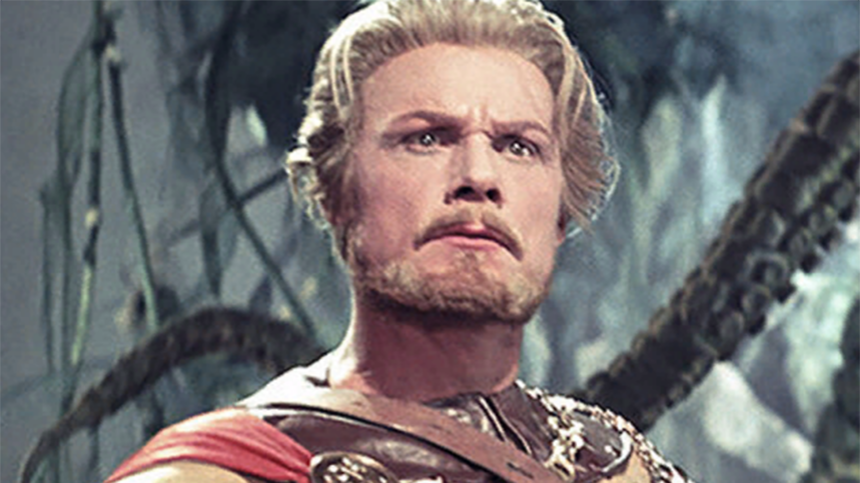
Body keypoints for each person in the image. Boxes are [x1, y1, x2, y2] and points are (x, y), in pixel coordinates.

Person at [106, 0, 692, 481]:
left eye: (518, 146)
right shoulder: (212, 475)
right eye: (427, 138)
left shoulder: (621, 465)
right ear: (335, 191)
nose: (479, 177)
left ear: (561, 216)